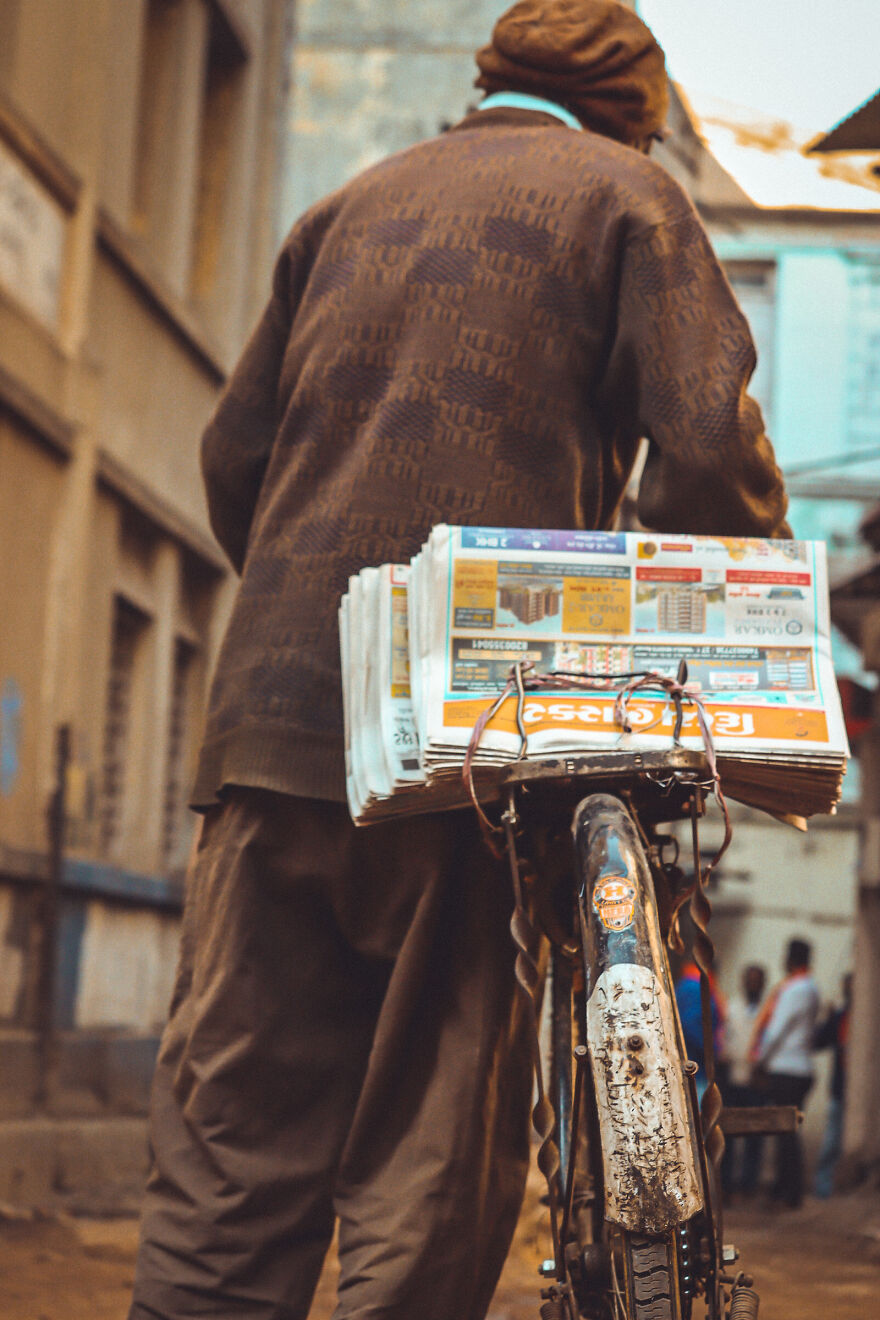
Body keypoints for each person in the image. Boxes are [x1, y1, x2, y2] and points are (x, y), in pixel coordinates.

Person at [128, 3, 790, 1317]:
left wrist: (308, 609)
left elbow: (231, 462)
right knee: (428, 1159)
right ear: (633, 112)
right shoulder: (630, 199)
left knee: (231, 1144)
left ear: (491, 84)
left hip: (272, 731)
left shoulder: (345, 207)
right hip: (474, 750)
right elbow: (711, 460)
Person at [750, 938, 820, 1209]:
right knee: (789, 1130)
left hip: (786, 1069)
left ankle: (788, 1191)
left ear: (790, 960)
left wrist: (759, 1059)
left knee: (785, 1131)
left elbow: (776, 1031)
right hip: (800, 1068)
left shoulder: (794, 990)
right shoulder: (811, 987)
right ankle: (786, 1188)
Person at [720, 963, 767, 1198]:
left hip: (756, 1081)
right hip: (733, 1079)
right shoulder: (732, 1007)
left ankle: (749, 1185)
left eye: (757, 980)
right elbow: (724, 1038)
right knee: (728, 1134)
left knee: (754, 1136)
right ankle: (726, 1184)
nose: (753, 984)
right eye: (750, 979)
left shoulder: (768, 1010)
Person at [813, 971, 852, 1198]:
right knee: (831, 1143)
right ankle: (823, 1190)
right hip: (839, 1089)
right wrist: (827, 1018)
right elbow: (820, 1042)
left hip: (859, 1096)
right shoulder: (840, 1016)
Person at [674, 959, 726, 1103]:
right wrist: (713, 1051)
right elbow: (691, 1025)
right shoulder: (697, 988)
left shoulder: (686, 984)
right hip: (695, 1066)